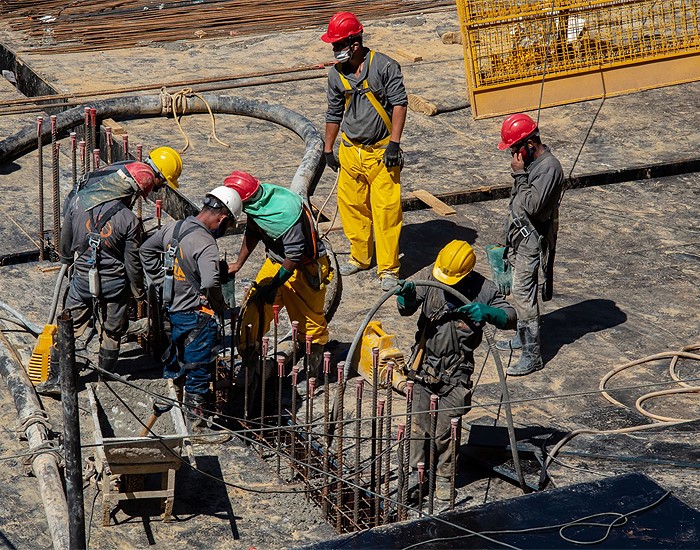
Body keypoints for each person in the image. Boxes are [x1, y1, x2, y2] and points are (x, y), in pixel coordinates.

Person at [36, 147, 183, 396]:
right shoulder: (127, 219)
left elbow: (66, 243)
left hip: (82, 279)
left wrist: (66, 258)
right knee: (113, 331)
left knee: (67, 327)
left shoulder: (79, 202)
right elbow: (133, 264)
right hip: (115, 286)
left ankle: (59, 380)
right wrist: (138, 293)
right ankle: (104, 380)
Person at [394, 240, 516, 500]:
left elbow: (511, 316)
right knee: (417, 427)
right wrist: (405, 295)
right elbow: (407, 309)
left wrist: (489, 313)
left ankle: (444, 478)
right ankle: (416, 480)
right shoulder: (430, 275)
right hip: (424, 366)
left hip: (456, 371)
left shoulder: (483, 288)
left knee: (445, 432)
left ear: (467, 273)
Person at [140, 186, 242, 434]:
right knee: (197, 370)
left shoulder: (172, 228)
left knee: (177, 363)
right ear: (223, 218)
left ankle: (172, 413)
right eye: (226, 226)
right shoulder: (206, 243)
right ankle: (194, 427)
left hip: (174, 311)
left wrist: (163, 281)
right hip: (198, 316)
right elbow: (209, 282)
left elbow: (146, 250)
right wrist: (218, 304)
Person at [321, 11, 408, 292]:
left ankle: (388, 270)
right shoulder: (336, 75)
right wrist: (328, 148)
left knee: (385, 212)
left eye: (338, 45)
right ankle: (360, 257)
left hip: (381, 153)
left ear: (354, 44)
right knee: (351, 207)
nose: (335, 51)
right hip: (351, 151)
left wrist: (394, 143)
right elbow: (333, 113)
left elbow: (399, 104)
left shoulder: (383, 67)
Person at [224, 171, 331, 395]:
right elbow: (253, 231)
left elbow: (294, 254)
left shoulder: (284, 213)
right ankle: (251, 363)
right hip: (277, 261)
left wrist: (272, 287)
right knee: (253, 308)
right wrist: (238, 263)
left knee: (309, 325)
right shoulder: (257, 205)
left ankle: (313, 375)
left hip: (303, 267)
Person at [495, 113, 564, 376]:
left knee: (523, 295)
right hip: (519, 238)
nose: (513, 154)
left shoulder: (548, 168)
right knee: (519, 291)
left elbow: (533, 206)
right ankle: (522, 337)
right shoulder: (533, 164)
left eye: (515, 148)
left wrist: (519, 176)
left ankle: (532, 355)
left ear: (529, 144)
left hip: (531, 241)